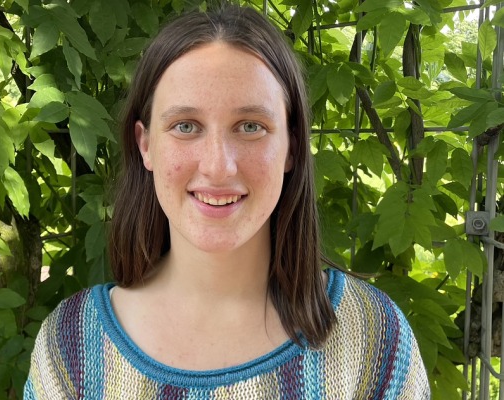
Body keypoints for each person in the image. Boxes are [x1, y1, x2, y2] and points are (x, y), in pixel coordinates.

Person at [24, 4, 430, 399]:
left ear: (292, 146)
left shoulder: (375, 344)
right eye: (186, 126)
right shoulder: (70, 350)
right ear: (146, 146)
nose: (218, 167)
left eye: (250, 126)